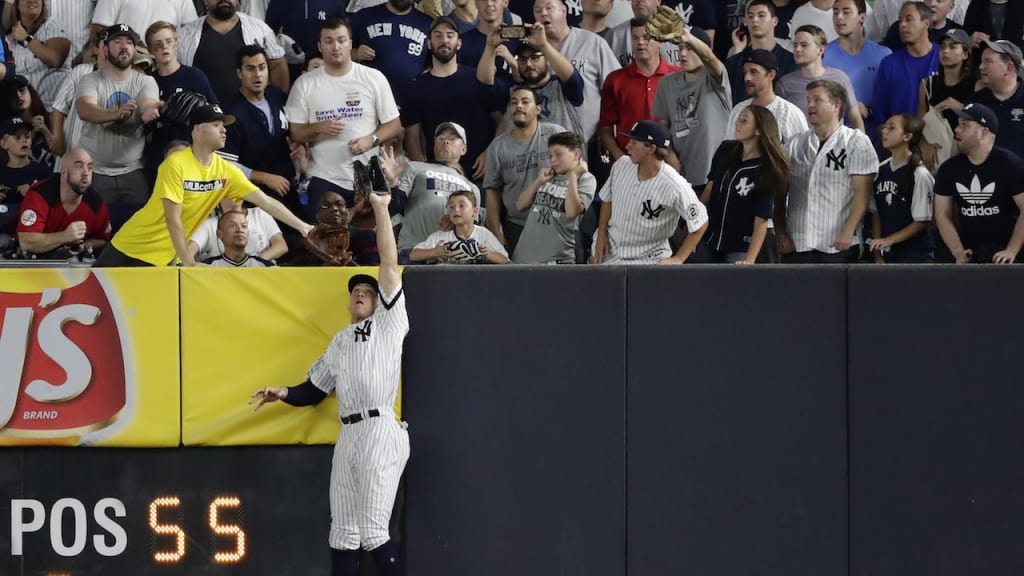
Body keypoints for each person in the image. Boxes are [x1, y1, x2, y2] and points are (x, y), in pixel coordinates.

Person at [249, 191, 409, 576]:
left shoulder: (389, 324)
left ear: (378, 302)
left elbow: (388, 264)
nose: (360, 294)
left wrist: (382, 209)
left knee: (372, 531)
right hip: (348, 433)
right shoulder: (338, 341)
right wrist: (283, 393)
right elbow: (314, 391)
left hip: (379, 428)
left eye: (367, 293)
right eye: (355, 291)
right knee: (342, 534)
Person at [92, 103, 313, 266]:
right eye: (216, 125)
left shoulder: (225, 170)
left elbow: (266, 202)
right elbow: (173, 218)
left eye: (223, 126)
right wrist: (189, 263)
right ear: (196, 130)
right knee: (95, 302)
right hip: (131, 246)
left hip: (165, 257)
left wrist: (304, 227)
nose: (223, 130)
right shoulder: (175, 164)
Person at [285, 18, 401, 213]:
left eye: (341, 40)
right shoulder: (304, 83)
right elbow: (295, 133)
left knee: (372, 240)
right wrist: (318, 127)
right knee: (326, 239)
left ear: (350, 43)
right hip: (324, 176)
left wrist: (371, 140)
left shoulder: (373, 77)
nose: (336, 47)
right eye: (329, 41)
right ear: (320, 46)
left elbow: (394, 124)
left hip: (367, 177)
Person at [777, 79, 878, 263]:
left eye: (817, 99)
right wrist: (781, 232)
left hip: (838, 244)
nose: (810, 105)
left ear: (836, 106)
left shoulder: (856, 141)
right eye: (808, 100)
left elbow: (862, 193)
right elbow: (779, 192)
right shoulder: (794, 143)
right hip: (797, 242)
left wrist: (848, 231)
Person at [591, 119, 708, 264]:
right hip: (610, 252)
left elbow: (700, 223)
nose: (628, 146)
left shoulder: (675, 185)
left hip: (649, 259)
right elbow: (607, 199)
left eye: (634, 143)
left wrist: (679, 258)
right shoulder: (621, 165)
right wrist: (601, 234)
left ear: (650, 149)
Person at [401, 16, 501, 180]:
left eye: (450, 35)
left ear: (459, 43)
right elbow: (412, 140)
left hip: (482, 175)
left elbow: (501, 121)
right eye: (438, 35)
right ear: (429, 43)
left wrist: (490, 153)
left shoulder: (477, 78)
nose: (444, 40)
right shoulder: (416, 88)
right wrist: (428, 173)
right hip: (439, 180)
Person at [75, 23, 161, 205]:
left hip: (133, 171)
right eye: (117, 41)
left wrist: (148, 112)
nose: (124, 47)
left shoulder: (146, 81)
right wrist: (115, 114)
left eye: (129, 42)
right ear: (105, 49)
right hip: (96, 171)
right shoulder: (90, 80)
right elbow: (84, 109)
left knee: (137, 229)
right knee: (97, 229)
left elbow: (148, 103)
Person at [934, 103, 1024, 264]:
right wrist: (958, 252)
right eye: (958, 124)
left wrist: (1011, 250)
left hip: (1010, 255)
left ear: (984, 132)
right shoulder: (949, 169)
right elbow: (942, 214)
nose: (956, 130)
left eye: (965, 125)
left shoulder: (1009, 164)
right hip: (972, 253)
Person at [222, 44, 306, 213]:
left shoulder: (277, 96)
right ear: (239, 73)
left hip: (288, 189)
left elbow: (292, 133)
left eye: (262, 68)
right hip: (253, 197)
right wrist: (263, 177)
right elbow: (225, 164)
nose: (257, 74)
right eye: (250, 69)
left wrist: (299, 145)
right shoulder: (230, 113)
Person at [700, 105, 789, 263]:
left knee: (734, 282)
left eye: (744, 120)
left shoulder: (766, 169)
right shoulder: (725, 150)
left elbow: (761, 220)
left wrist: (749, 260)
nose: (737, 123)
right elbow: (710, 188)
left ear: (758, 130)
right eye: (738, 119)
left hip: (740, 244)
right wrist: (694, 219)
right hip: (710, 236)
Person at [379, 122, 481, 258]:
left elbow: (475, 232)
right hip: (413, 249)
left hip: (454, 256)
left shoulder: (472, 188)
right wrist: (393, 182)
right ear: (434, 146)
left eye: (452, 138)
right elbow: (394, 209)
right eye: (441, 138)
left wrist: (457, 221)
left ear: (463, 149)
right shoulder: (414, 167)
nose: (446, 141)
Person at [484, 86, 565, 252]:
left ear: (538, 109)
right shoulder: (498, 147)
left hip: (557, 222)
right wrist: (496, 232)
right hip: (517, 226)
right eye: (514, 103)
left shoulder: (555, 135)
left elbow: (575, 173)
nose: (518, 106)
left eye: (525, 101)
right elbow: (492, 191)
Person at [651, 25, 730, 189]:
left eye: (690, 48)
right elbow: (662, 128)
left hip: (716, 176)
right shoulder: (667, 82)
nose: (683, 54)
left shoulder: (714, 76)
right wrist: (670, 156)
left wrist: (689, 38)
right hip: (681, 175)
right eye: (680, 48)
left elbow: (710, 59)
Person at [144, 20, 218, 183]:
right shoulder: (147, 82)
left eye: (169, 41)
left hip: (193, 155)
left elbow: (217, 115)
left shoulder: (194, 76)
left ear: (177, 44)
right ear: (150, 51)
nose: (164, 47)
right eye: (158, 44)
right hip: (158, 157)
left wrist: (199, 113)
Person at [599, 19, 681, 164]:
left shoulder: (678, 77)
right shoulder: (615, 80)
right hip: (630, 163)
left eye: (646, 37)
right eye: (635, 38)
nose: (640, 42)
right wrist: (621, 159)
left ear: (660, 41)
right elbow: (606, 130)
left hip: (671, 163)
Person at [177, 0, 288, 103]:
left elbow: (277, 64)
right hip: (204, 118)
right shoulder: (185, 35)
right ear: (205, 1)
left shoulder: (260, 29)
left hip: (251, 116)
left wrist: (276, 103)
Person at [513, 131, 596, 263]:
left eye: (558, 155)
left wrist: (573, 176)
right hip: (523, 257)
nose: (552, 160)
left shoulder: (586, 180)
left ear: (576, 154)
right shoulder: (548, 176)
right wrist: (538, 181)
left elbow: (571, 212)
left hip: (556, 260)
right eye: (551, 155)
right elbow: (520, 205)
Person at [15, 147, 111, 259]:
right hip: (28, 258)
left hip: (68, 261)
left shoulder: (96, 204)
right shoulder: (40, 194)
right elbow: (26, 242)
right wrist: (65, 236)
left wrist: (83, 246)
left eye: (89, 168)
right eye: (79, 167)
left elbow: (102, 239)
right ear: (64, 173)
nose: (86, 173)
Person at [868, 114, 935, 262]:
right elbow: (876, 212)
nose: (884, 131)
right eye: (885, 127)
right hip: (888, 252)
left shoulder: (920, 174)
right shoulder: (880, 170)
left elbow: (922, 221)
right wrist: (878, 252)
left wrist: (889, 240)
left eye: (891, 128)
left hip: (915, 253)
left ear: (907, 136)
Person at [823, 0, 891, 140]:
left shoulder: (883, 55)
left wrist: (871, 111)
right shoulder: (823, 55)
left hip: (879, 134)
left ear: (862, 17)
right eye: (835, 13)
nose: (839, 17)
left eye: (846, 12)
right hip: (836, 135)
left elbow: (893, 98)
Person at [778, 24, 865, 131]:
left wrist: (861, 144)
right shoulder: (785, 84)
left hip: (835, 144)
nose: (798, 49)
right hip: (798, 145)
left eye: (804, 45)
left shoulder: (839, 78)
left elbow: (855, 117)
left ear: (821, 49)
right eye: (795, 45)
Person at [349, 0, 433, 107]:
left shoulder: (428, 24)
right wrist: (355, 54)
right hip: (368, 99)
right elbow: (337, 53)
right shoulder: (363, 17)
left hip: (411, 102)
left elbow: (438, 62)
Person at [871, 2, 939, 128]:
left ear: (926, 23)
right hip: (899, 142)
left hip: (937, 141)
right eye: (900, 20)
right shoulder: (889, 63)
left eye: (909, 19)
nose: (902, 25)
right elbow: (880, 113)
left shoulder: (943, 58)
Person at [917, 27, 973, 170]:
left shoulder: (975, 85)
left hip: (967, 156)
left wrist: (961, 107)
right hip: (936, 156)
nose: (946, 51)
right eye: (942, 47)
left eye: (953, 47)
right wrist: (923, 144)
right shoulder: (927, 84)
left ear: (965, 54)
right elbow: (919, 123)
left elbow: (985, 122)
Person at [725, 49, 808, 144]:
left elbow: (801, 152)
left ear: (771, 75)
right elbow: (728, 149)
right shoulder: (738, 110)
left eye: (753, 72)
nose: (747, 78)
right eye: (745, 72)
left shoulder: (789, 113)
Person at [723, 0, 797, 106]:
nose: (755, 20)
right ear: (745, 21)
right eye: (751, 16)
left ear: (775, 21)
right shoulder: (733, 64)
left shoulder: (791, 62)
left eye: (761, 15)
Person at [410, 189, 509, 263]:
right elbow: (413, 255)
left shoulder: (483, 234)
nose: (456, 210)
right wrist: (434, 252)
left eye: (462, 206)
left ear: (474, 212)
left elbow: (505, 260)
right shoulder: (441, 236)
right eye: (451, 207)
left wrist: (488, 254)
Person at [7, 0, 70, 110]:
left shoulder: (52, 25)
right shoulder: (8, 39)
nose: (32, 0)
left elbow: (55, 59)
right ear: (17, 4)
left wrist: (27, 38)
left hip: (56, 110)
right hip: (25, 113)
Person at [970, 39, 1024, 160]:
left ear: (1009, 68)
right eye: (981, 61)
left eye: (988, 61)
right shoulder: (976, 102)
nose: (981, 66)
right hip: (985, 176)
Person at [188, 196, 287, 262]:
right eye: (229, 191)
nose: (235, 194)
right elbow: (188, 252)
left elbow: (281, 246)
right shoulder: (208, 224)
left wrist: (257, 262)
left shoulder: (260, 214)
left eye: (238, 189)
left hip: (263, 276)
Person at [0, 116, 51, 206]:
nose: (24, 141)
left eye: (27, 136)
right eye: (18, 137)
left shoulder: (42, 172)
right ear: (4, 144)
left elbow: (52, 205)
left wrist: (33, 194)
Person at [201, 209, 276, 266]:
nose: (240, 230)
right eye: (232, 225)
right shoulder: (208, 267)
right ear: (219, 234)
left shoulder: (266, 267)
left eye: (244, 226)